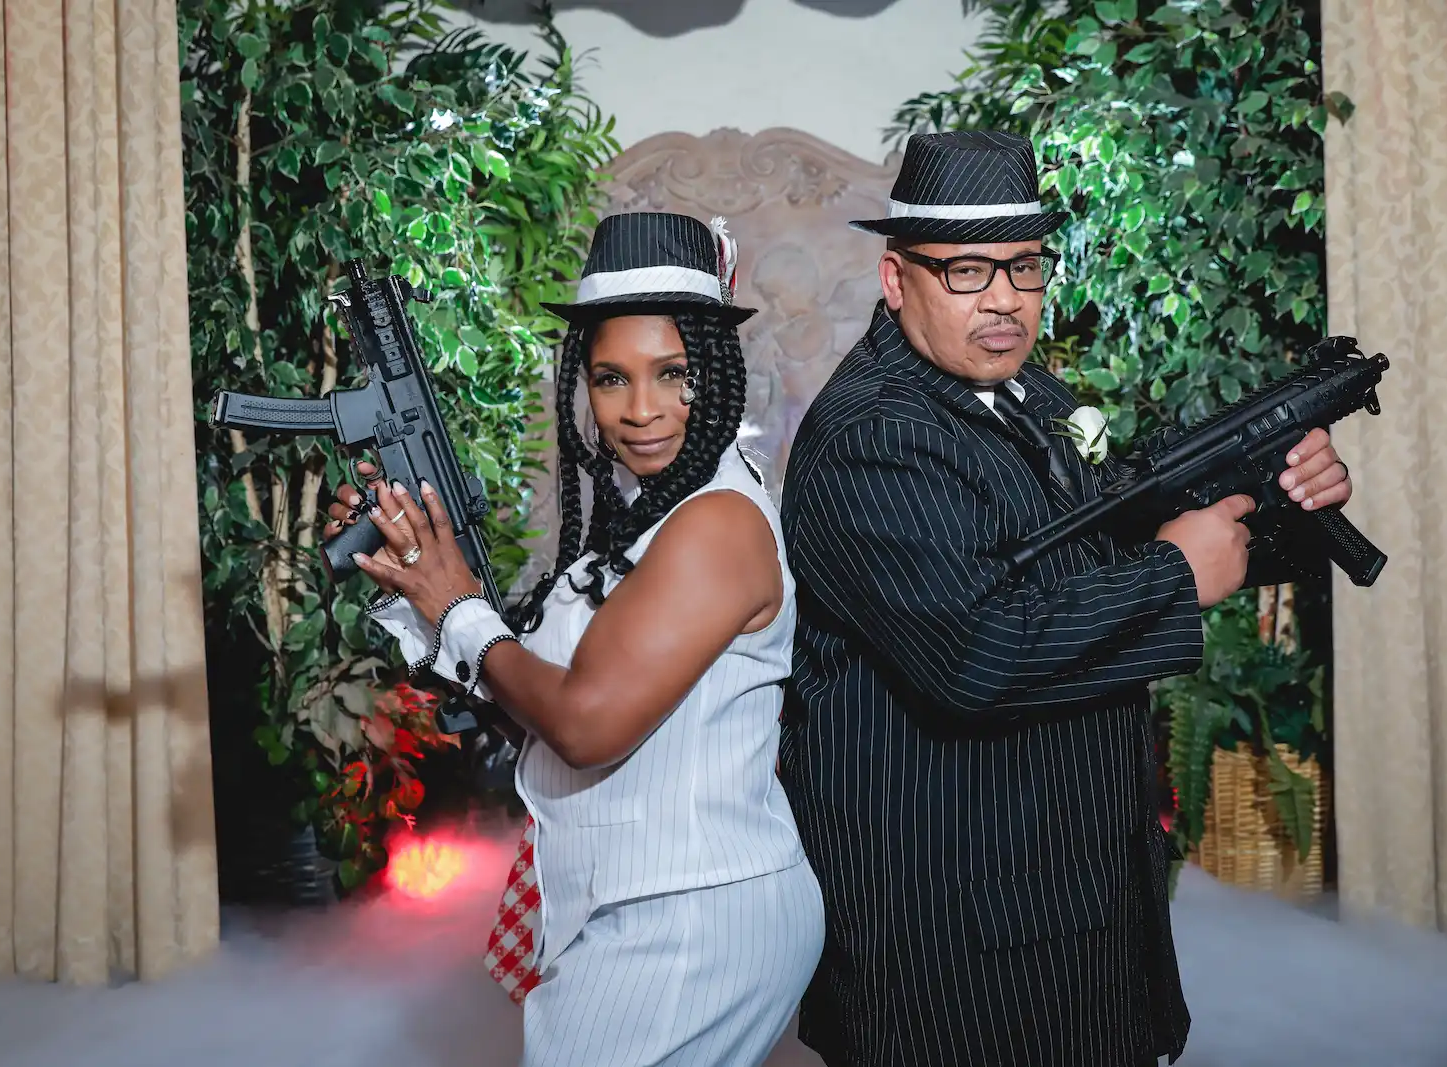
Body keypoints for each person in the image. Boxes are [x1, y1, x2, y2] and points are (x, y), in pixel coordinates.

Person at [775, 130, 1355, 1067]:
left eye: (1024, 267)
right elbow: (975, 655)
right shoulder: (874, 437)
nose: (1004, 300)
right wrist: (1176, 575)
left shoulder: (1018, 388)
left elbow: (1112, 527)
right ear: (896, 280)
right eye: (967, 271)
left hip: (1064, 890)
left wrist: (1285, 503)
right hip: (958, 942)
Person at [324, 211, 824, 1067]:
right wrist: (420, 590)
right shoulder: (648, 515)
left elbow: (589, 724)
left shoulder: (714, 524)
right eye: (610, 378)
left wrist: (463, 612)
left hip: (686, 921)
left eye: (673, 374)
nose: (642, 411)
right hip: (643, 902)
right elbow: (544, 716)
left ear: (717, 371)